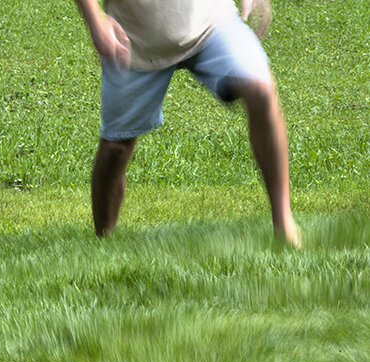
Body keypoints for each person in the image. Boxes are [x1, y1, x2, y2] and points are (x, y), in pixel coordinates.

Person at [74, 0, 301, 246]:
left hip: (211, 22)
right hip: (134, 40)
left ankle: (284, 224)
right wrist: (95, 21)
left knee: (261, 92)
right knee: (115, 148)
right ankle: (103, 242)